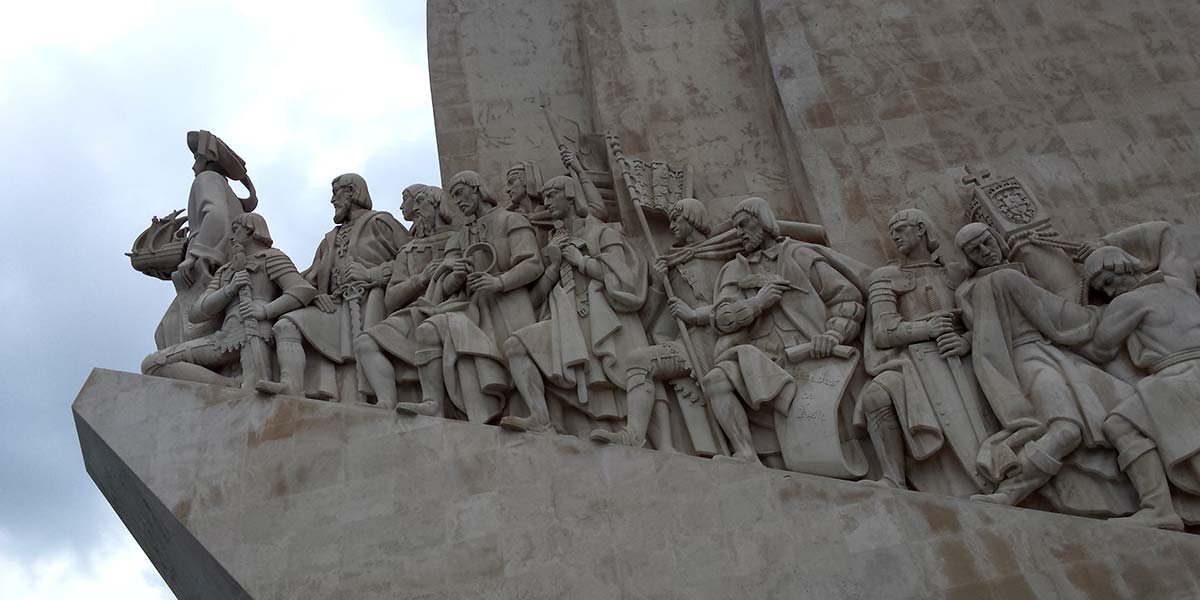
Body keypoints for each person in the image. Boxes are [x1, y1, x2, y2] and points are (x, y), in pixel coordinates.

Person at [954, 223, 1133, 515]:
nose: (986, 251)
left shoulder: (982, 285)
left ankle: (1155, 500)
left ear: (997, 239)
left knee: (1125, 409)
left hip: (1051, 355)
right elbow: (1058, 317)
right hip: (1030, 358)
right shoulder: (1006, 278)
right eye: (976, 250)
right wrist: (1100, 312)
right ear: (969, 259)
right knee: (1066, 430)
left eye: (987, 242)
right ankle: (1009, 493)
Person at [701, 197, 865, 468]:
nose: (739, 233)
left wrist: (833, 335)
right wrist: (756, 303)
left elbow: (847, 298)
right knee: (715, 381)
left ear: (763, 222)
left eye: (743, 224)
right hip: (761, 361)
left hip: (808, 354)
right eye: (735, 227)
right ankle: (746, 453)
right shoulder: (734, 268)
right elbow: (721, 318)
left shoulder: (800, 255)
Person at [855, 210, 995, 496]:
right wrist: (926, 327)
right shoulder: (885, 277)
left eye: (901, 229)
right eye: (892, 231)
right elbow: (883, 332)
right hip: (911, 361)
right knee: (875, 396)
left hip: (960, 356)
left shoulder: (956, 273)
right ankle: (893, 478)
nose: (894, 236)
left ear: (921, 229)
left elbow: (987, 320)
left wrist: (967, 340)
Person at [499, 175, 648, 435]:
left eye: (552, 194)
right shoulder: (552, 241)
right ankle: (539, 417)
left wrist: (581, 261)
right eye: (544, 196)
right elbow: (535, 300)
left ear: (570, 194)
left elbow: (625, 278)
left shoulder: (603, 232)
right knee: (515, 346)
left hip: (603, 316)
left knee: (632, 374)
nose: (546, 201)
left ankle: (635, 434)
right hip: (565, 317)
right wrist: (554, 265)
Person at [397, 171, 543, 422]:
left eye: (461, 193)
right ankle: (433, 403)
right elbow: (445, 284)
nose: (458, 201)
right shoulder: (459, 237)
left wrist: (499, 281)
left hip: (509, 305)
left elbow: (533, 263)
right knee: (429, 330)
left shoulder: (511, 220)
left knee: (516, 352)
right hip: (473, 310)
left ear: (476, 189)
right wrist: (457, 275)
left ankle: (538, 415)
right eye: (453, 196)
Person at [588, 198, 726, 455]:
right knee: (639, 359)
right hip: (688, 344)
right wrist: (658, 284)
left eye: (677, 219)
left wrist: (696, 314)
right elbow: (651, 320)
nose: (672, 225)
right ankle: (634, 435)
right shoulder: (672, 267)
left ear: (693, 219)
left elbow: (736, 305)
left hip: (720, 340)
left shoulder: (721, 257)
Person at [256, 174, 410, 401]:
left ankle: (386, 401)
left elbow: (413, 257)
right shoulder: (329, 239)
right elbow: (309, 278)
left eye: (336, 192)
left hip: (371, 304)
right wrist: (315, 296)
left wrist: (372, 274)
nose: (332, 200)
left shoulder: (380, 222)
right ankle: (291, 386)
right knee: (286, 325)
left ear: (351, 191)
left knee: (365, 352)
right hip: (335, 307)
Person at [1075, 246, 1196, 530]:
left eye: (1106, 282)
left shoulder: (1129, 302)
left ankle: (1158, 508)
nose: (1107, 293)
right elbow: (1169, 237)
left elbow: (1101, 349)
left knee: (1119, 425)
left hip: (1177, 375)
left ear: (1120, 267)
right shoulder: (1179, 284)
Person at [142, 213, 315, 388]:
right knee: (153, 364)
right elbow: (197, 312)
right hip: (224, 338)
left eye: (235, 230)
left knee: (254, 388)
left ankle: (240, 385)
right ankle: (229, 385)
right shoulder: (225, 270)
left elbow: (301, 290)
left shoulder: (270, 257)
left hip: (256, 331)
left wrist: (265, 311)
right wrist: (229, 289)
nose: (231, 237)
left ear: (249, 230)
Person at [355, 185, 458, 409]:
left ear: (437, 206)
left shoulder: (457, 239)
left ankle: (434, 403)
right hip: (411, 314)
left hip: (451, 308)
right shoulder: (408, 251)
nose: (414, 210)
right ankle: (386, 401)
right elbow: (391, 299)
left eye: (421, 204)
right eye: (416, 204)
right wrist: (421, 278)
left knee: (428, 330)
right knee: (365, 342)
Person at [155, 130, 259, 349]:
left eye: (196, 158)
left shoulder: (207, 178)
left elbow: (216, 216)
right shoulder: (225, 188)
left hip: (208, 265)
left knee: (171, 331)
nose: (193, 166)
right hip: (222, 260)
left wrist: (194, 256)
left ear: (206, 160)